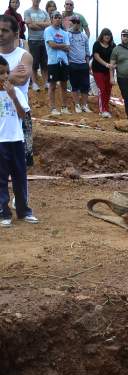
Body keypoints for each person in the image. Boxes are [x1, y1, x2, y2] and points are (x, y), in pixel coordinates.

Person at [0, 55, 38, 227]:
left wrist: (13, 96)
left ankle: (24, 211)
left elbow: (22, 115)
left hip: (16, 140)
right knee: (1, 179)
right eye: (1, 73)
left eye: (7, 72)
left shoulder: (16, 92)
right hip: (1, 142)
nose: (5, 76)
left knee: (20, 177)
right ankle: (4, 213)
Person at [0, 13, 32, 167]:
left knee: (21, 163)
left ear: (15, 33)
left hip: (19, 112)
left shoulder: (24, 56)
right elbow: (15, 78)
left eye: (5, 30)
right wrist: (12, 73)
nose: (0, 34)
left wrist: (4, 76)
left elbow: (21, 79)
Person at [43, 11, 68, 114]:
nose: (58, 19)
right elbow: (51, 45)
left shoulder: (64, 33)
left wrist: (58, 45)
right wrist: (62, 45)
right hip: (53, 62)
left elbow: (68, 48)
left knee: (64, 85)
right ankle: (53, 108)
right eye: (55, 17)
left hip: (64, 62)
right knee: (52, 86)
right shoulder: (48, 30)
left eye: (59, 17)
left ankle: (64, 107)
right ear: (51, 19)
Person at [23, 0, 48, 91]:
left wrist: (34, 23)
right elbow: (30, 26)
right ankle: (34, 83)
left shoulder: (44, 12)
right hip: (33, 40)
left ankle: (46, 82)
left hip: (44, 40)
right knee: (34, 63)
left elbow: (49, 24)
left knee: (44, 63)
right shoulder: (27, 11)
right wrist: (42, 26)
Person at [66, 14, 88, 112]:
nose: (76, 24)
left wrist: (87, 63)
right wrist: (68, 62)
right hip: (72, 63)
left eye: (78, 22)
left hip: (83, 64)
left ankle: (84, 105)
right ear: (71, 23)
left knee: (85, 85)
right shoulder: (67, 35)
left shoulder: (84, 35)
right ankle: (77, 105)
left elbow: (87, 50)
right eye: (74, 22)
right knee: (74, 85)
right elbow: (66, 49)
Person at [91, 27, 113, 117]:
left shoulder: (113, 46)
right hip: (98, 69)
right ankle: (102, 110)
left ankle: (106, 108)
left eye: (109, 35)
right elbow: (96, 56)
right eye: (105, 35)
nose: (107, 36)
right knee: (102, 89)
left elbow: (114, 58)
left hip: (109, 71)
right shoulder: (97, 44)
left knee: (108, 90)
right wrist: (106, 64)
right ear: (102, 36)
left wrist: (113, 66)